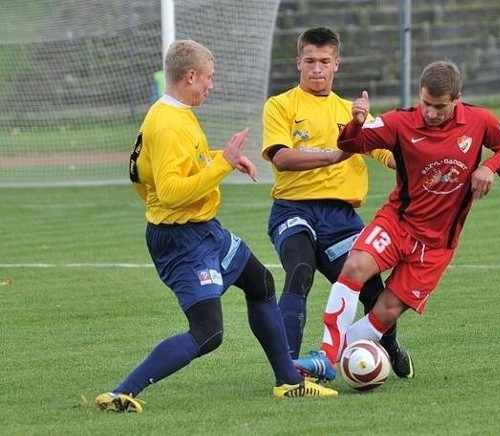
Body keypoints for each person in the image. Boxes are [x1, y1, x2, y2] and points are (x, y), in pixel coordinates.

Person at [95, 39, 337, 413]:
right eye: (209, 77)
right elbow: (172, 191)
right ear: (190, 76)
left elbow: (145, 172)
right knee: (208, 334)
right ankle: (121, 393)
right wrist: (220, 165)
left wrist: (220, 159)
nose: (212, 84)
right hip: (180, 239)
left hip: (204, 229)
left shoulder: (175, 112)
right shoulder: (168, 125)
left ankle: (288, 381)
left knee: (260, 282)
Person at [295, 60, 500, 381]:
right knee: (354, 267)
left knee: (385, 312)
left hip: (437, 244)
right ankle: (326, 356)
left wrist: (490, 166)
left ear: (457, 98)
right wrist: (356, 122)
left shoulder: (480, 120)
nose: (431, 113)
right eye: (426, 104)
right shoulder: (400, 122)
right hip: (398, 223)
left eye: (440, 107)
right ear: (420, 95)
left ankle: (339, 359)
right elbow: (349, 144)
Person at [261, 27, 414, 379]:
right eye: (310, 61)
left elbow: (392, 156)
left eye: (324, 61)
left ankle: (387, 346)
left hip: (341, 217)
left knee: (373, 289)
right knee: (299, 273)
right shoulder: (280, 105)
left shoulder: (351, 113)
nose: (317, 69)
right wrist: (333, 156)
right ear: (298, 62)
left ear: (337, 64)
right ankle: (288, 369)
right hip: (294, 209)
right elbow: (281, 158)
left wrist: (424, 162)